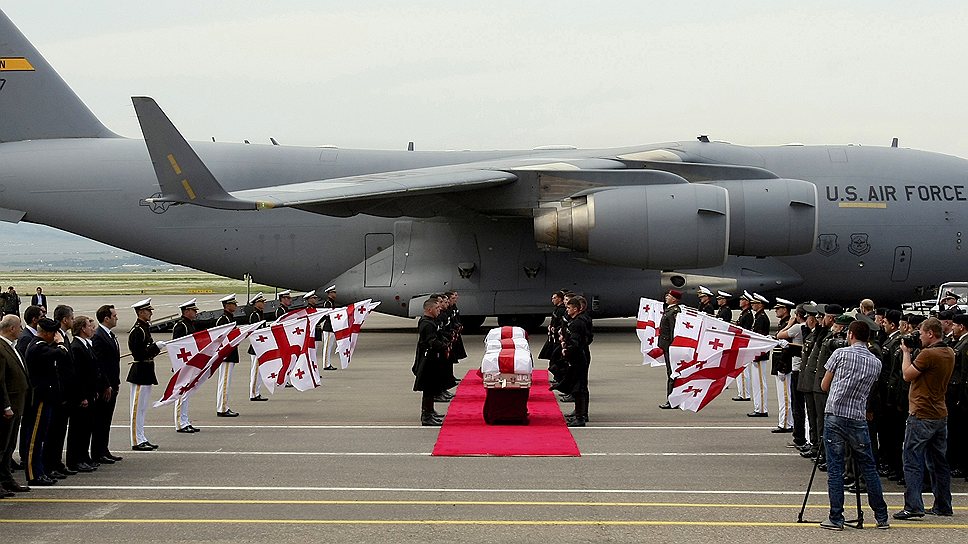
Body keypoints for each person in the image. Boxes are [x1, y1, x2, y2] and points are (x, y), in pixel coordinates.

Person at [818, 320, 890, 530]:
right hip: (857, 416)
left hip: (835, 414)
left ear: (850, 335)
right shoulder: (875, 362)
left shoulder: (840, 354)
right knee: (868, 466)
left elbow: (824, 385)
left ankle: (836, 517)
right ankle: (881, 516)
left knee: (835, 468)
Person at [894, 317, 954, 519]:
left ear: (930, 333)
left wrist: (906, 353)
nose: (919, 336)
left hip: (921, 413)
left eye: (921, 333)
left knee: (912, 459)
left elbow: (907, 374)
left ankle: (913, 505)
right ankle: (943, 504)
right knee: (939, 462)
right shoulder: (949, 352)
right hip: (940, 412)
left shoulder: (928, 354)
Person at [20, 317, 68, 486]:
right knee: (34, 438)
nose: (55, 335)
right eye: (54, 332)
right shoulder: (37, 347)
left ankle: (40, 470)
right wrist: (61, 343)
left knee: (41, 437)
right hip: (39, 398)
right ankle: (33, 474)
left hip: (46, 398)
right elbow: (61, 353)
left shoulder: (42, 346)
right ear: (46, 333)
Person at [43, 305, 75, 478]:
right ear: (64, 319)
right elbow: (58, 368)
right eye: (71, 317)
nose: (72, 320)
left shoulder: (63, 336)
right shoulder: (56, 338)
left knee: (60, 430)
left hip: (65, 392)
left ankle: (56, 462)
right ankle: (50, 464)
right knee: (53, 432)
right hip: (58, 393)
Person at [0, 315, 30, 495]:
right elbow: (0, 381)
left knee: (9, 446)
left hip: (17, 405)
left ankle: (6, 479)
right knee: (2, 447)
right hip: (8, 407)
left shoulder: (10, 346)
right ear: (11, 328)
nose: (21, 329)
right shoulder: (1, 348)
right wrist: (5, 406)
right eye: (19, 326)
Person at [127, 298, 161, 451]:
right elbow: (139, 354)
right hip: (140, 372)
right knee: (137, 408)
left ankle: (141, 437)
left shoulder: (144, 328)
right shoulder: (137, 330)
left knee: (142, 409)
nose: (151, 313)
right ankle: (136, 440)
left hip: (146, 372)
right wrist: (156, 348)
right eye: (148, 311)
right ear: (141, 312)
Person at [66, 315, 99, 472]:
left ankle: (84, 457)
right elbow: (77, 376)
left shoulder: (86, 345)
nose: (92, 329)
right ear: (82, 329)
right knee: (77, 429)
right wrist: (82, 396)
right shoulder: (76, 348)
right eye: (89, 326)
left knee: (86, 428)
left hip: (90, 393)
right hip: (82, 395)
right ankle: (75, 460)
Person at [90, 305, 122, 464]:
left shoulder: (109, 335)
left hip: (113, 384)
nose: (117, 318)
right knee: (100, 420)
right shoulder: (99, 336)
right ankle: (97, 452)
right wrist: (106, 385)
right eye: (114, 316)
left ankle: (104, 449)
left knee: (106, 420)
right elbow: (99, 364)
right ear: (106, 318)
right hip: (105, 387)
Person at [412, 298, 450, 426]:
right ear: (429, 309)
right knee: (428, 388)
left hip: (433, 358)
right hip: (428, 360)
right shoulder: (427, 324)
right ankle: (426, 416)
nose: (439, 310)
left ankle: (430, 411)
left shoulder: (432, 322)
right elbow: (431, 341)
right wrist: (443, 345)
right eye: (437, 308)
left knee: (432, 387)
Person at [560, 296, 593, 427]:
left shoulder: (577, 323)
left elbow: (576, 343)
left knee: (579, 388)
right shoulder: (577, 321)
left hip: (578, 357)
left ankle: (580, 417)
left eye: (569, 307)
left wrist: (566, 351)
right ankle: (581, 413)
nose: (567, 310)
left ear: (576, 309)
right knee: (581, 387)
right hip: (581, 355)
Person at [172, 299, 200, 432]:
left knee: (186, 395)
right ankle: (180, 422)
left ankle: (185, 420)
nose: (195, 312)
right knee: (181, 394)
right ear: (186, 311)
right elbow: (176, 348)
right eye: (193, 310)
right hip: (182, 365)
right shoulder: (180, 326)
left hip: (189, 365)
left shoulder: (190, 324)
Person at [770, 298, 795, 432]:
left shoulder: (788, 324)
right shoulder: (784, 323)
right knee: (783, 396)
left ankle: (785, 423)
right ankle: (787, 422)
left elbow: (787, 350)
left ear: (785, 310)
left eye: (778, 308)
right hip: (779, 364)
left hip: (783, 366)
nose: (775, 311)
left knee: (785, 397)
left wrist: (783, 368)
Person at [215, 294, 241, 415]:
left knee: (226, 381)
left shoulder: (229, 318)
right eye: (233, 304)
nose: (235, 305)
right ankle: (222, 408)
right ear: (227, 305)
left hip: (230, 354)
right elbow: (220, 338)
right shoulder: (223, 320)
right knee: (224, 381)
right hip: (226, 355)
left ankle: (223, 405)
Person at [747, 293, 771, 417]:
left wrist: (756, 353)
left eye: (754, 303)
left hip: (760, 355)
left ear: (760, 305)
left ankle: (761, 409)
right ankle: (758, 407)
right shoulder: (758, 317)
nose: (752, 305)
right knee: (756, 383)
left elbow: (760, 338)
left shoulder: (762, 318)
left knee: (760, 383)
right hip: (756, 353)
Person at [657, 289, 682, 410]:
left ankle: (672, 400)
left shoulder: (674, 312)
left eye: (669, 296)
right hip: (667, 346)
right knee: (671, 373)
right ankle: (674, 399)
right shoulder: (670, 310)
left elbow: (674, 331)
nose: (666, 297)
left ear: (674, 299)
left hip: (670, 347)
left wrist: (673, 346)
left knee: (672, 373)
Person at [732, 291, 755, 402]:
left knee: (743, 370)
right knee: (740, 371)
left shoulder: (748, 315)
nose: (740, 302)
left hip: (744, 345)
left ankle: (745, 394)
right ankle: (742, 392)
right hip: (740, 344)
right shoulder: (744, 313)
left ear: (747, 302)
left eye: (742, 300)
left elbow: (745, 331)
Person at [245, 293, 267, 401]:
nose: (263, 304)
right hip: (256, 346)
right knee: (256, 371)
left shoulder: (260, 314)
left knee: (259, 372)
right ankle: (253, 393)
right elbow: (254, 332)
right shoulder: (255, 315)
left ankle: (256, 392)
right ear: (256, 304)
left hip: (260, 346)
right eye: (261, 302)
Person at [320, 286, 338, 371]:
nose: (335, 294)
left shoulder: (332, 303)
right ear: (329, 293)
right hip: (328, 327)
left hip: (331, 327)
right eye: (333, 292)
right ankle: (326, 364)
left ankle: (328, 363)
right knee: (327, 347)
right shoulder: (328, 304)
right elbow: (326, 315)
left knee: (329, 346)